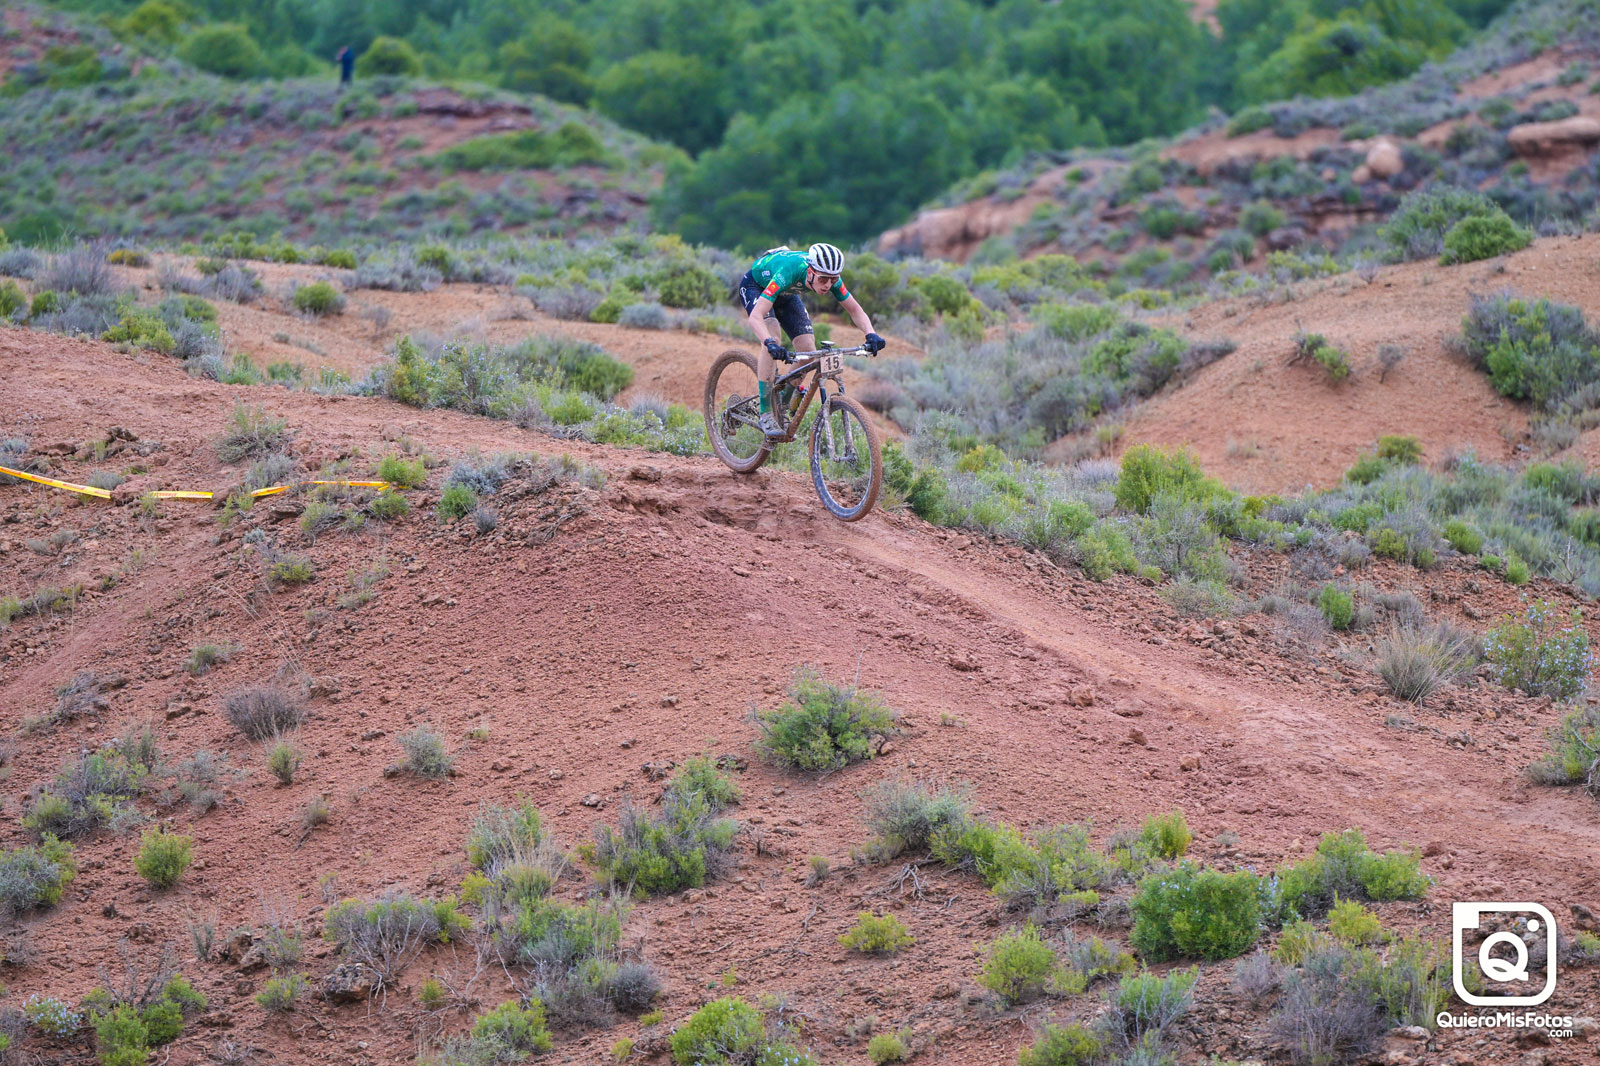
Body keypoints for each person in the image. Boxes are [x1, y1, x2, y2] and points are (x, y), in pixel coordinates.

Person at [739, 243, 885, 438]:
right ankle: (765, 413)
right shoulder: (788, 271)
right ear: (810, 272)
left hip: (787, 293)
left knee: (808, 350)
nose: (827, 285)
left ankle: (782, 403)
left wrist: (870, 333)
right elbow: (756, 317)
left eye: (833, 279)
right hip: (757, 287)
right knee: (773, 337)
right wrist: (769, 342)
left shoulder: (829, 277)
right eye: (823, 279)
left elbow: (854, 309)